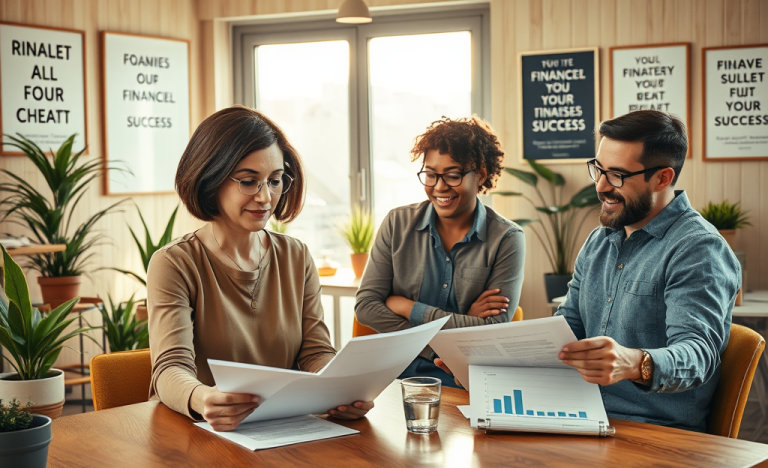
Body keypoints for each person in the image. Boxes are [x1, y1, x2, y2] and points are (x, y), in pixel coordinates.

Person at [147, 106, 373, 431]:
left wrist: (339, 391)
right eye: (249, 181)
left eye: (275, 180)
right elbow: (170, 368)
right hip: (200, 433)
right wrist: (203, 399)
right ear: (210, 178)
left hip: (280, 429)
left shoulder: (296, 256)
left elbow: (315, 351)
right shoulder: (174, 263)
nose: (266, 197)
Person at [550, 110, 740, 433]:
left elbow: (698, 355)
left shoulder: (698, 249)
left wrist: (635, 363)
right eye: (598, 169)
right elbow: (564, 332)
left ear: (663, 178)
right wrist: (487, 363)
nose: (600, 186)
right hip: (583, 419)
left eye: (617, 176)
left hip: (655, 433)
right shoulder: (599, 241)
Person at [355, 116, 526, 388]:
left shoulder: (506, 239)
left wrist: (408, 307)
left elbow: (493, 329)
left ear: (480, 174)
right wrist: (452, 334)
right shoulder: (397, 223)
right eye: (431, 174)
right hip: (392, 375)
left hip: (466, 379)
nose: (439, 187)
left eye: (453, 175)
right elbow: (366, 307)